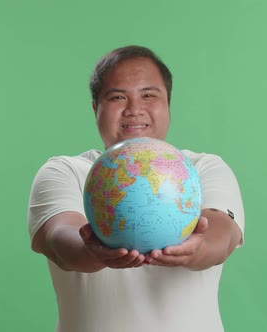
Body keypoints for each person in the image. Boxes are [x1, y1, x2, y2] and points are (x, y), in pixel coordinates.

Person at [27, 45, 245, 332]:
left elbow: (223, 233)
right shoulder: (63, 172)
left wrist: (199, 247)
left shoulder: (204, 169)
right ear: (96, 108)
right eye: (117, 97)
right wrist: (92, 250)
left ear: (168, 104)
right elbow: (59, 239)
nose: (134, 110)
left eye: (149, 95)